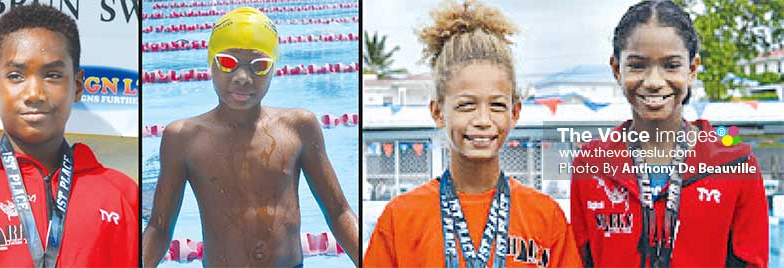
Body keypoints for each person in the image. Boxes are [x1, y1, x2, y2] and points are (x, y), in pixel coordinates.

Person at [363, 1, 582, 267]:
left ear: (515, 112)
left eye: (497, 105)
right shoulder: (401, 217)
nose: (482, 120)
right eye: (466, 105)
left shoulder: (546, 216)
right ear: (438, 111)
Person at [141, 7, 359, 267]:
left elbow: (339, 212)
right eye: (228, 62)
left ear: (273, 69)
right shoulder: (183, 139)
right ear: (210, 63)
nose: (243, 78)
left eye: (259, 65)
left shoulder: (299, 127)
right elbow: (160, 227)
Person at [0, 4, 139, 267]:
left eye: (52, 75)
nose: (34, 94)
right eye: (16, 76)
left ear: (76, 86)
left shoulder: (121, 193)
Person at [569, 1, 769, 267]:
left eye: (671, 65)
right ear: (617, 69)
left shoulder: (736, 164)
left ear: (692, 69)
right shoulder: (591, 165)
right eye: (637, 65)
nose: (653, 81)